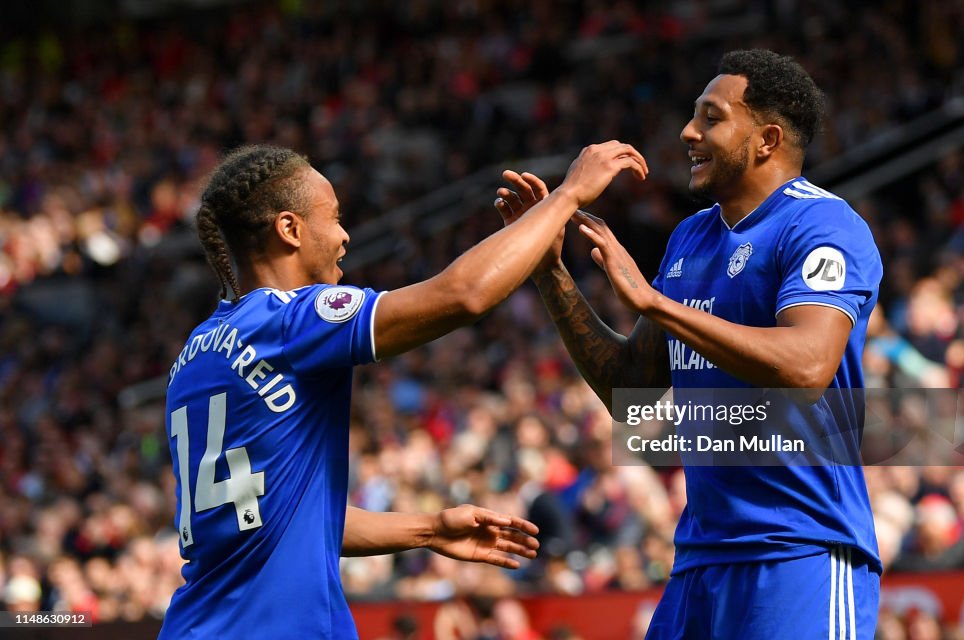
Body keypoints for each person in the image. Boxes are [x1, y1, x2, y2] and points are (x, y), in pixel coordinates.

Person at [160, 141, 648, 639]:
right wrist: (567, 196)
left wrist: (430, 529)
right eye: (333, 218)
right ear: (290, 229)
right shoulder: (290, 319)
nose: (345, 236)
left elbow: (289, 518)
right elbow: (462, 295)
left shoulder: (195, 354)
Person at [495, 49, 882, 638]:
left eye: (711, 116)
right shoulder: (690, 237)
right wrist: (550, 274)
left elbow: (808, 363)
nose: (688, 131)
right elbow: (631, 389)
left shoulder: (824, 226)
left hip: (800, 553)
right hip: (700, 560)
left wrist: (653, 303)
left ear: (767, 139)